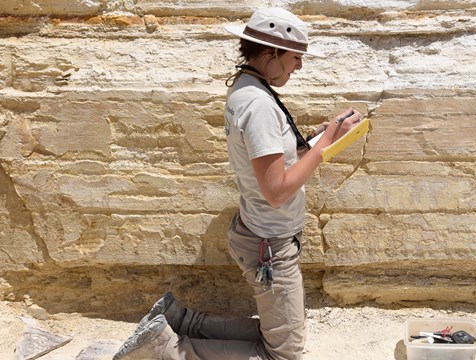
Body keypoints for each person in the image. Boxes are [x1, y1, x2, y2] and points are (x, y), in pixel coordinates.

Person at [112, 7, 362, 360]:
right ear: (270, 53)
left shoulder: (247, 87)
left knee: (280, 331)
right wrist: (325, 145)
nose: (299, 66)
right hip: (270, 242)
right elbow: (276, 191)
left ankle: (177, 319)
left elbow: (271, 155)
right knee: (284, 352)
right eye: (296, 57)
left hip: (261, 232)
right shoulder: (258, 103)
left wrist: (315, 137)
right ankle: (168, 349)